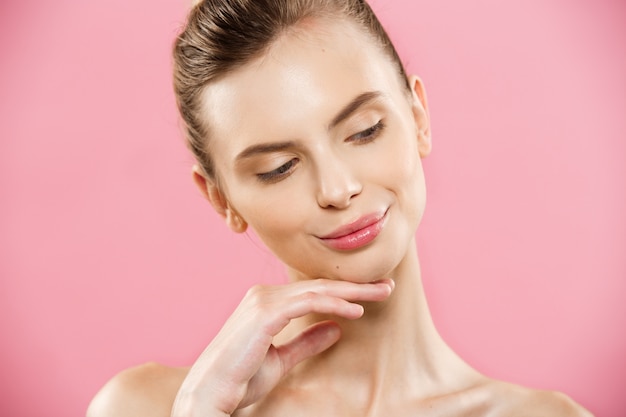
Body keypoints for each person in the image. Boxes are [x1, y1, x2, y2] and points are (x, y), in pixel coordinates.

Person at [87, 0, 592, 416]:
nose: (337, 187)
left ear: (418, 118)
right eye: (279, 167)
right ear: (221, 198)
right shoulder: (144, 407)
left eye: (365, 131)